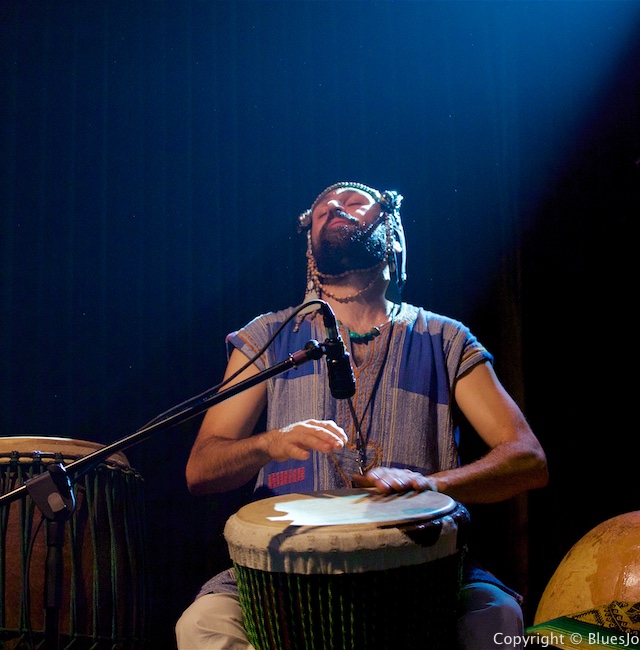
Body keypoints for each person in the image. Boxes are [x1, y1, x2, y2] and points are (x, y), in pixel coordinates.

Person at [176, 181, 548, 649]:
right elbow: (200, 469)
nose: (335, 207)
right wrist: (270, 443)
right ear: (310, 247)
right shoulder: (266, 339)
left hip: (422, 563)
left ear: (391, 233)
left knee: (494, 618)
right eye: (322, 209)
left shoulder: (445, 339)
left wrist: (432, 485)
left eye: (353, 202)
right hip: (284, 567)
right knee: (203, 625)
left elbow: (528, 460)